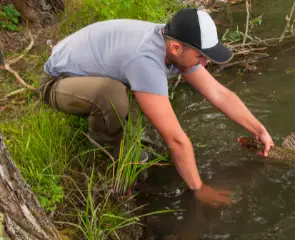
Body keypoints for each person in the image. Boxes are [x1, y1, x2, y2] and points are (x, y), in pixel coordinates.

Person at [38, 8, 274, 207]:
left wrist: (258, 129)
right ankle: (103, 142)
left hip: (87, 65)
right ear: (176, 49)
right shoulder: (146, 60)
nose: (205, 62)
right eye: (201, 56)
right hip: (58, 82)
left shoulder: (175, 42)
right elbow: (176, 139)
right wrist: (199, 188)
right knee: (113, 96)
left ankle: (118, 129)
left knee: (134, 98)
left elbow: (220, 94)